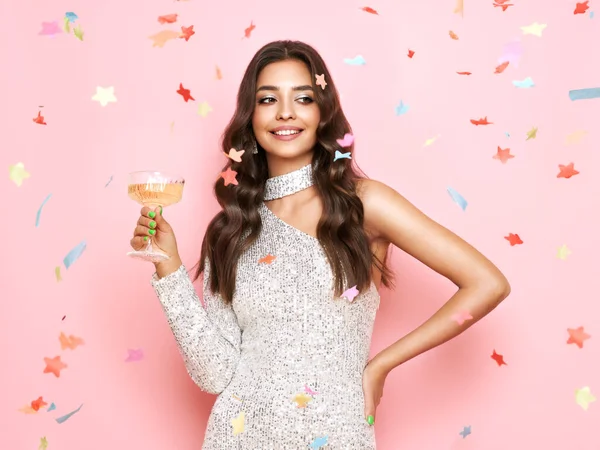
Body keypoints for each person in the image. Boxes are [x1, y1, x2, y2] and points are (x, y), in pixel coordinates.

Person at [130, 40, 511, 449]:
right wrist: (167, 267)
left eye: (303, 98)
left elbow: (487, 283)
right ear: (251, 116)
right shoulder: (230, 229)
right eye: (268, 99)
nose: (285, 112)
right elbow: (215, 374)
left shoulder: (364, 204)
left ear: (322, 112)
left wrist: (381, 364)